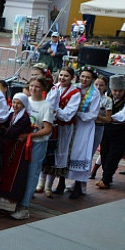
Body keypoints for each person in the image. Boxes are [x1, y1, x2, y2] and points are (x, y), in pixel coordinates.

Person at [15, 77, 55, 219]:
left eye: (37, 86)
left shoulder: (46, 106)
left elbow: (47, 129)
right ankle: (14, 202)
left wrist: (31, 136)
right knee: (20, 173)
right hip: (22, 143)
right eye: (31, 86)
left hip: (37, 144)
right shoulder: (26, 101)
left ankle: (24, 206)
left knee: (32, 173)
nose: (33, 89)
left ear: (43, 89)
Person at [43, 67, 81, 197]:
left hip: (64, 128)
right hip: (51, 126)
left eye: (66, 76)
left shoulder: (75, 93)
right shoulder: (54, 87)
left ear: (72, 78)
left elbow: (67, 115)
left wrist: (54, 109)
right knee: (48, 153)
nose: (62, 78)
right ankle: (41, 183)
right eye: (61, 75)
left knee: (58, 154)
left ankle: (50, 185)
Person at [66, 67, 102, 199]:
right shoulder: (74, 88)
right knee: (66, 152)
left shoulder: (95, 93)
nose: (84, 79)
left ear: (92, 79)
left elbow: (93, 114)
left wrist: (77, 114)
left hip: (84, 127)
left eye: (87, 77)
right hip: (70, 124)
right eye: (82, 76)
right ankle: (61, 182)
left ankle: (78, 185)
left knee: (80, 154)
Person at [98, 75, 125, 191]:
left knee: (113, 156)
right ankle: (106, 176)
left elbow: (124, 116)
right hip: (108, 129)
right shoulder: (107, 97)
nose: (117, 93)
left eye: (120, 91)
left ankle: (106, 180)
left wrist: (106, 117)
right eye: (115, 90)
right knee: (104, 153)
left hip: (122, 131)